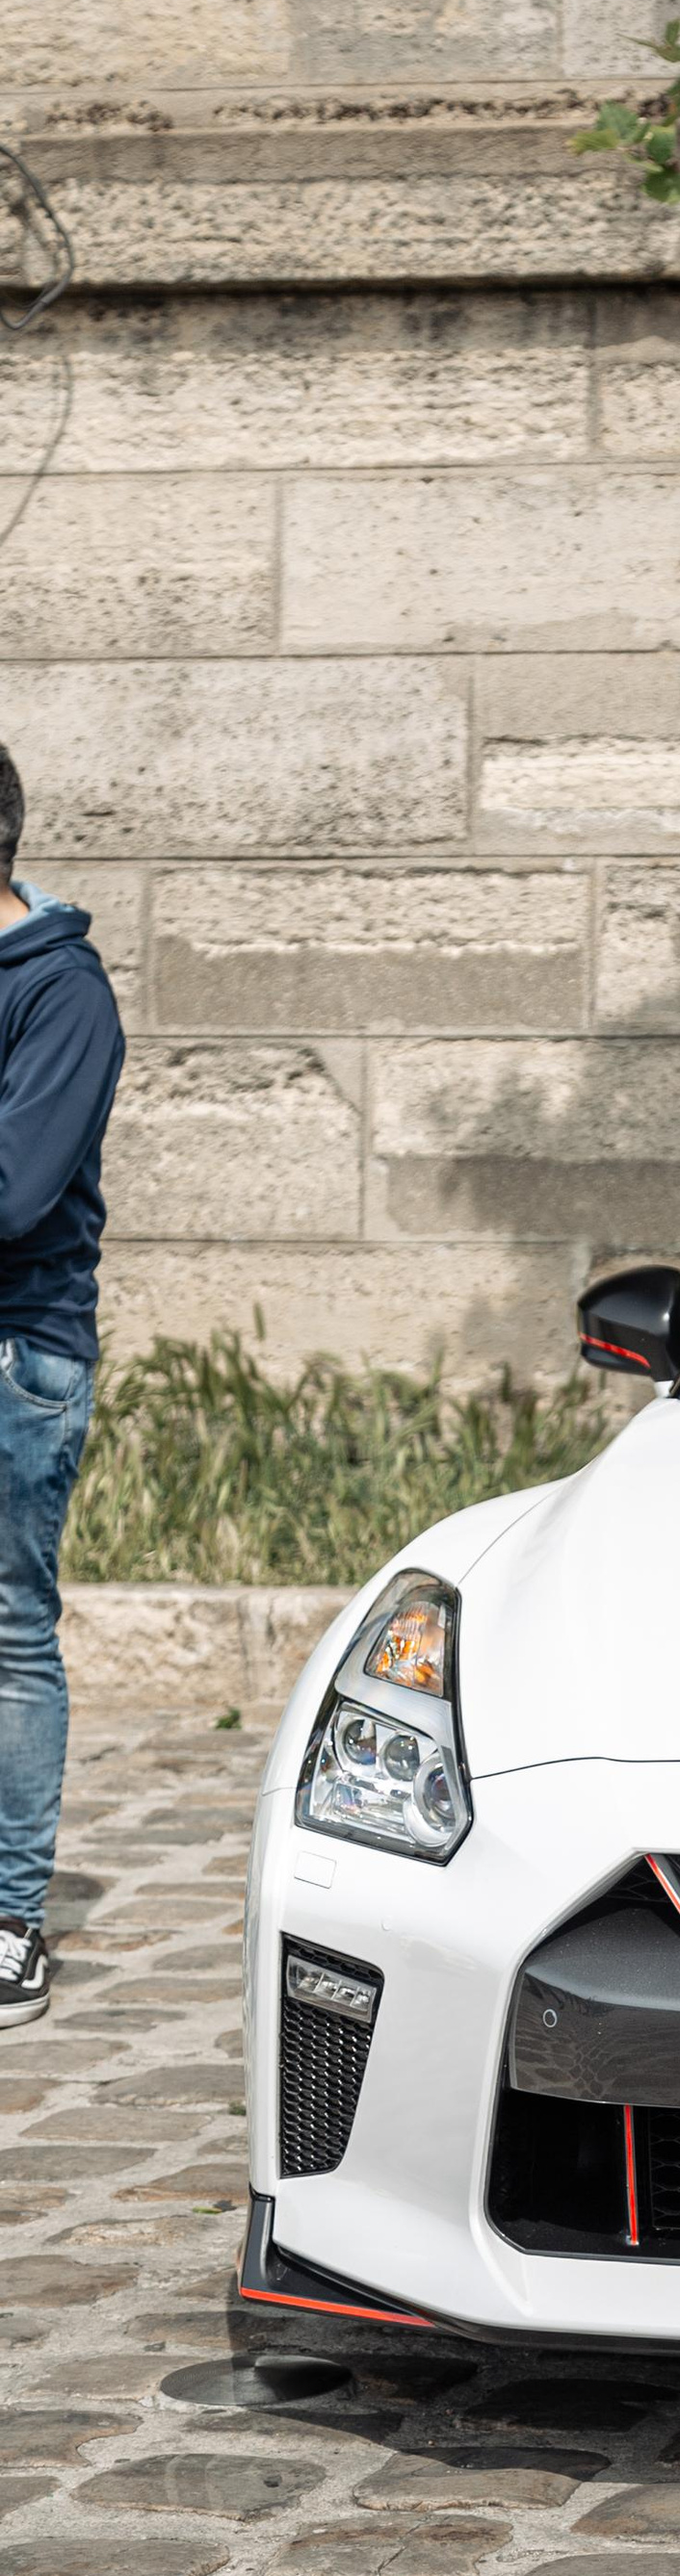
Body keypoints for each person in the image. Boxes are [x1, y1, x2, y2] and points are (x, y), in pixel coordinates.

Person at [0, 743, 125, 2026]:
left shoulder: (60, 994)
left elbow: (15, 1193)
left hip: (13, 1356)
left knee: (8, 1633)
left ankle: (9, 1918)